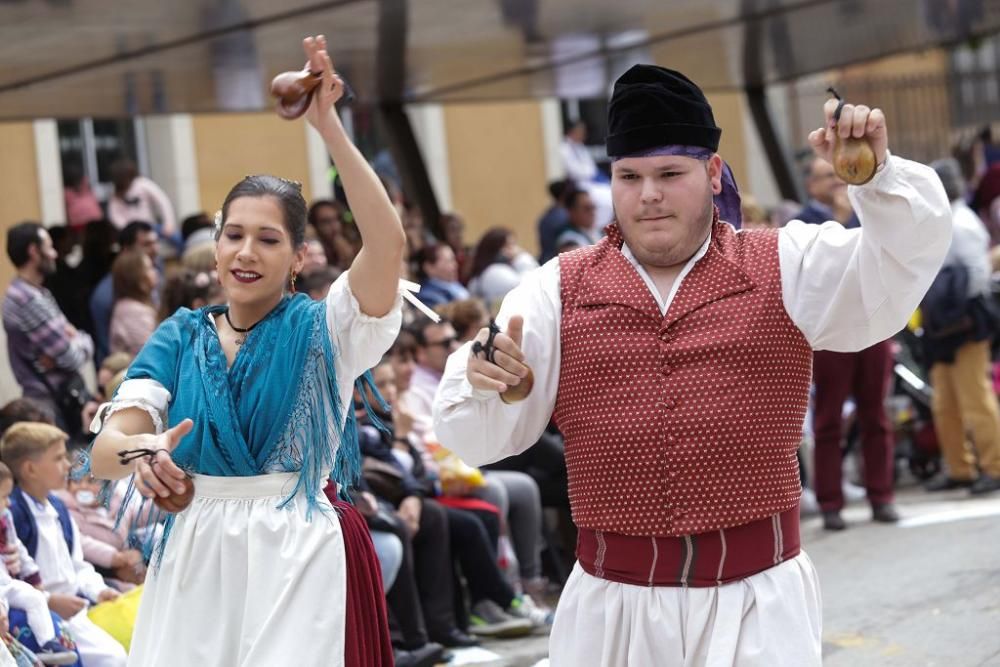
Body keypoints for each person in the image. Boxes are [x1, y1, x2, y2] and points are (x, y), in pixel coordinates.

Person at [433, 64, 951, 665]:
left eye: (669, 174)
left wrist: (879, 178)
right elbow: (476, 436)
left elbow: (896, 268)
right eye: (629, 176)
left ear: (711, 173)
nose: (647, 194)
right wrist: (490, 383)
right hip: (612, 616)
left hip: (757, 606)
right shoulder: (554, 289)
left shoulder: (786, 262)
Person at [85, 36, 405, 667]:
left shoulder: (327, 329)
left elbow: (386, 243)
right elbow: (103, 451)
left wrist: (330, 129)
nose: (246, 252)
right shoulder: (180, 334)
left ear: (298, 258)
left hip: (297, 549)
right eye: (233, 234)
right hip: (197, 550)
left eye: (267, 238)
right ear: (215, 245)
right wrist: (144, 451)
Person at [2, 423, 127, 667]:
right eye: (58, 458)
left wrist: (97, 590)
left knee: (122, 654)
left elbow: (77, 565)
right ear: (30, 469)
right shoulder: (13, 514)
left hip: (76, 610)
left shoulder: (58, 508)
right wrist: (48, 599)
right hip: (41, 618)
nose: (67, 465)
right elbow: (9, 578)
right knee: (114, 659)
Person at [922, 158, 1000, 495]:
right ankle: (960, 468)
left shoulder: (961, 222)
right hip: (943, 321)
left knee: (975, 398)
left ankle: (995, 466)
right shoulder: (943, 219)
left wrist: (949, 306)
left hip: (965, 319)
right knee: (945, 402)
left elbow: (978, 275)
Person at [3, 223, 94, 434]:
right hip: (52, 403)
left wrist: (74, 338)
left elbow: (70, 344)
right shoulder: (27, 300)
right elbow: (73, 358)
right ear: (34, 252)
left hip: (53, 398)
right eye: (49, 247)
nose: (54, 254)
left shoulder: (33, 292)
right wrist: (80, 340)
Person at [0, 463, 79, 666]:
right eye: (3, 497)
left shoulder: (5, 521)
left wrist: (32, 575)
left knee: (35, 598)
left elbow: (19, 549)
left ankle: (48, 644)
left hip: (7, 585)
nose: (8, 503)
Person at [467, 228, 539, 306]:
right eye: (509, 246)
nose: (516, 249)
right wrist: (520, 257)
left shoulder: (496, 271)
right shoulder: (494, 272)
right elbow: (528, 286)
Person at [107, 160, 177, 239]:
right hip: (130, 233)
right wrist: (128, 230)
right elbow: (115, 216)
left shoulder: (142, 184)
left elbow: (162, 201)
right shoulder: (116, 193)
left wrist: (168, 223)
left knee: (177, 238)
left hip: (150, 226)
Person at [108, 249, 159, 357]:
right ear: (137, 276)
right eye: (149, 268)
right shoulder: (132, 311)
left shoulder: (140, 303)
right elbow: (151, 355)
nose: (155, 271)